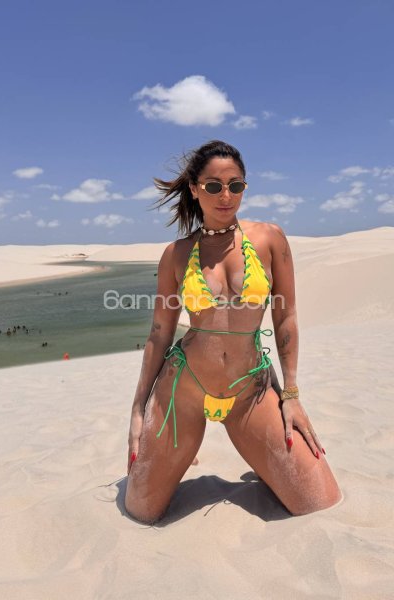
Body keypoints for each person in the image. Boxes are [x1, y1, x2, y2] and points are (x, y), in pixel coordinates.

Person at [125, 140, 342, 524]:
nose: (226, 196)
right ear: (195, 189)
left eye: (235, 185)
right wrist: (138, 410)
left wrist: (291, 395)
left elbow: (286, 317)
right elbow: (160, 332)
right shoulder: (176, 254)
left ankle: (262, 463)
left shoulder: (269, 239)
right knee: (142, 511)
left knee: (319, 502)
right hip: (183, 391)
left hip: (249, 392)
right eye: (213, 186)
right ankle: (177, 454)